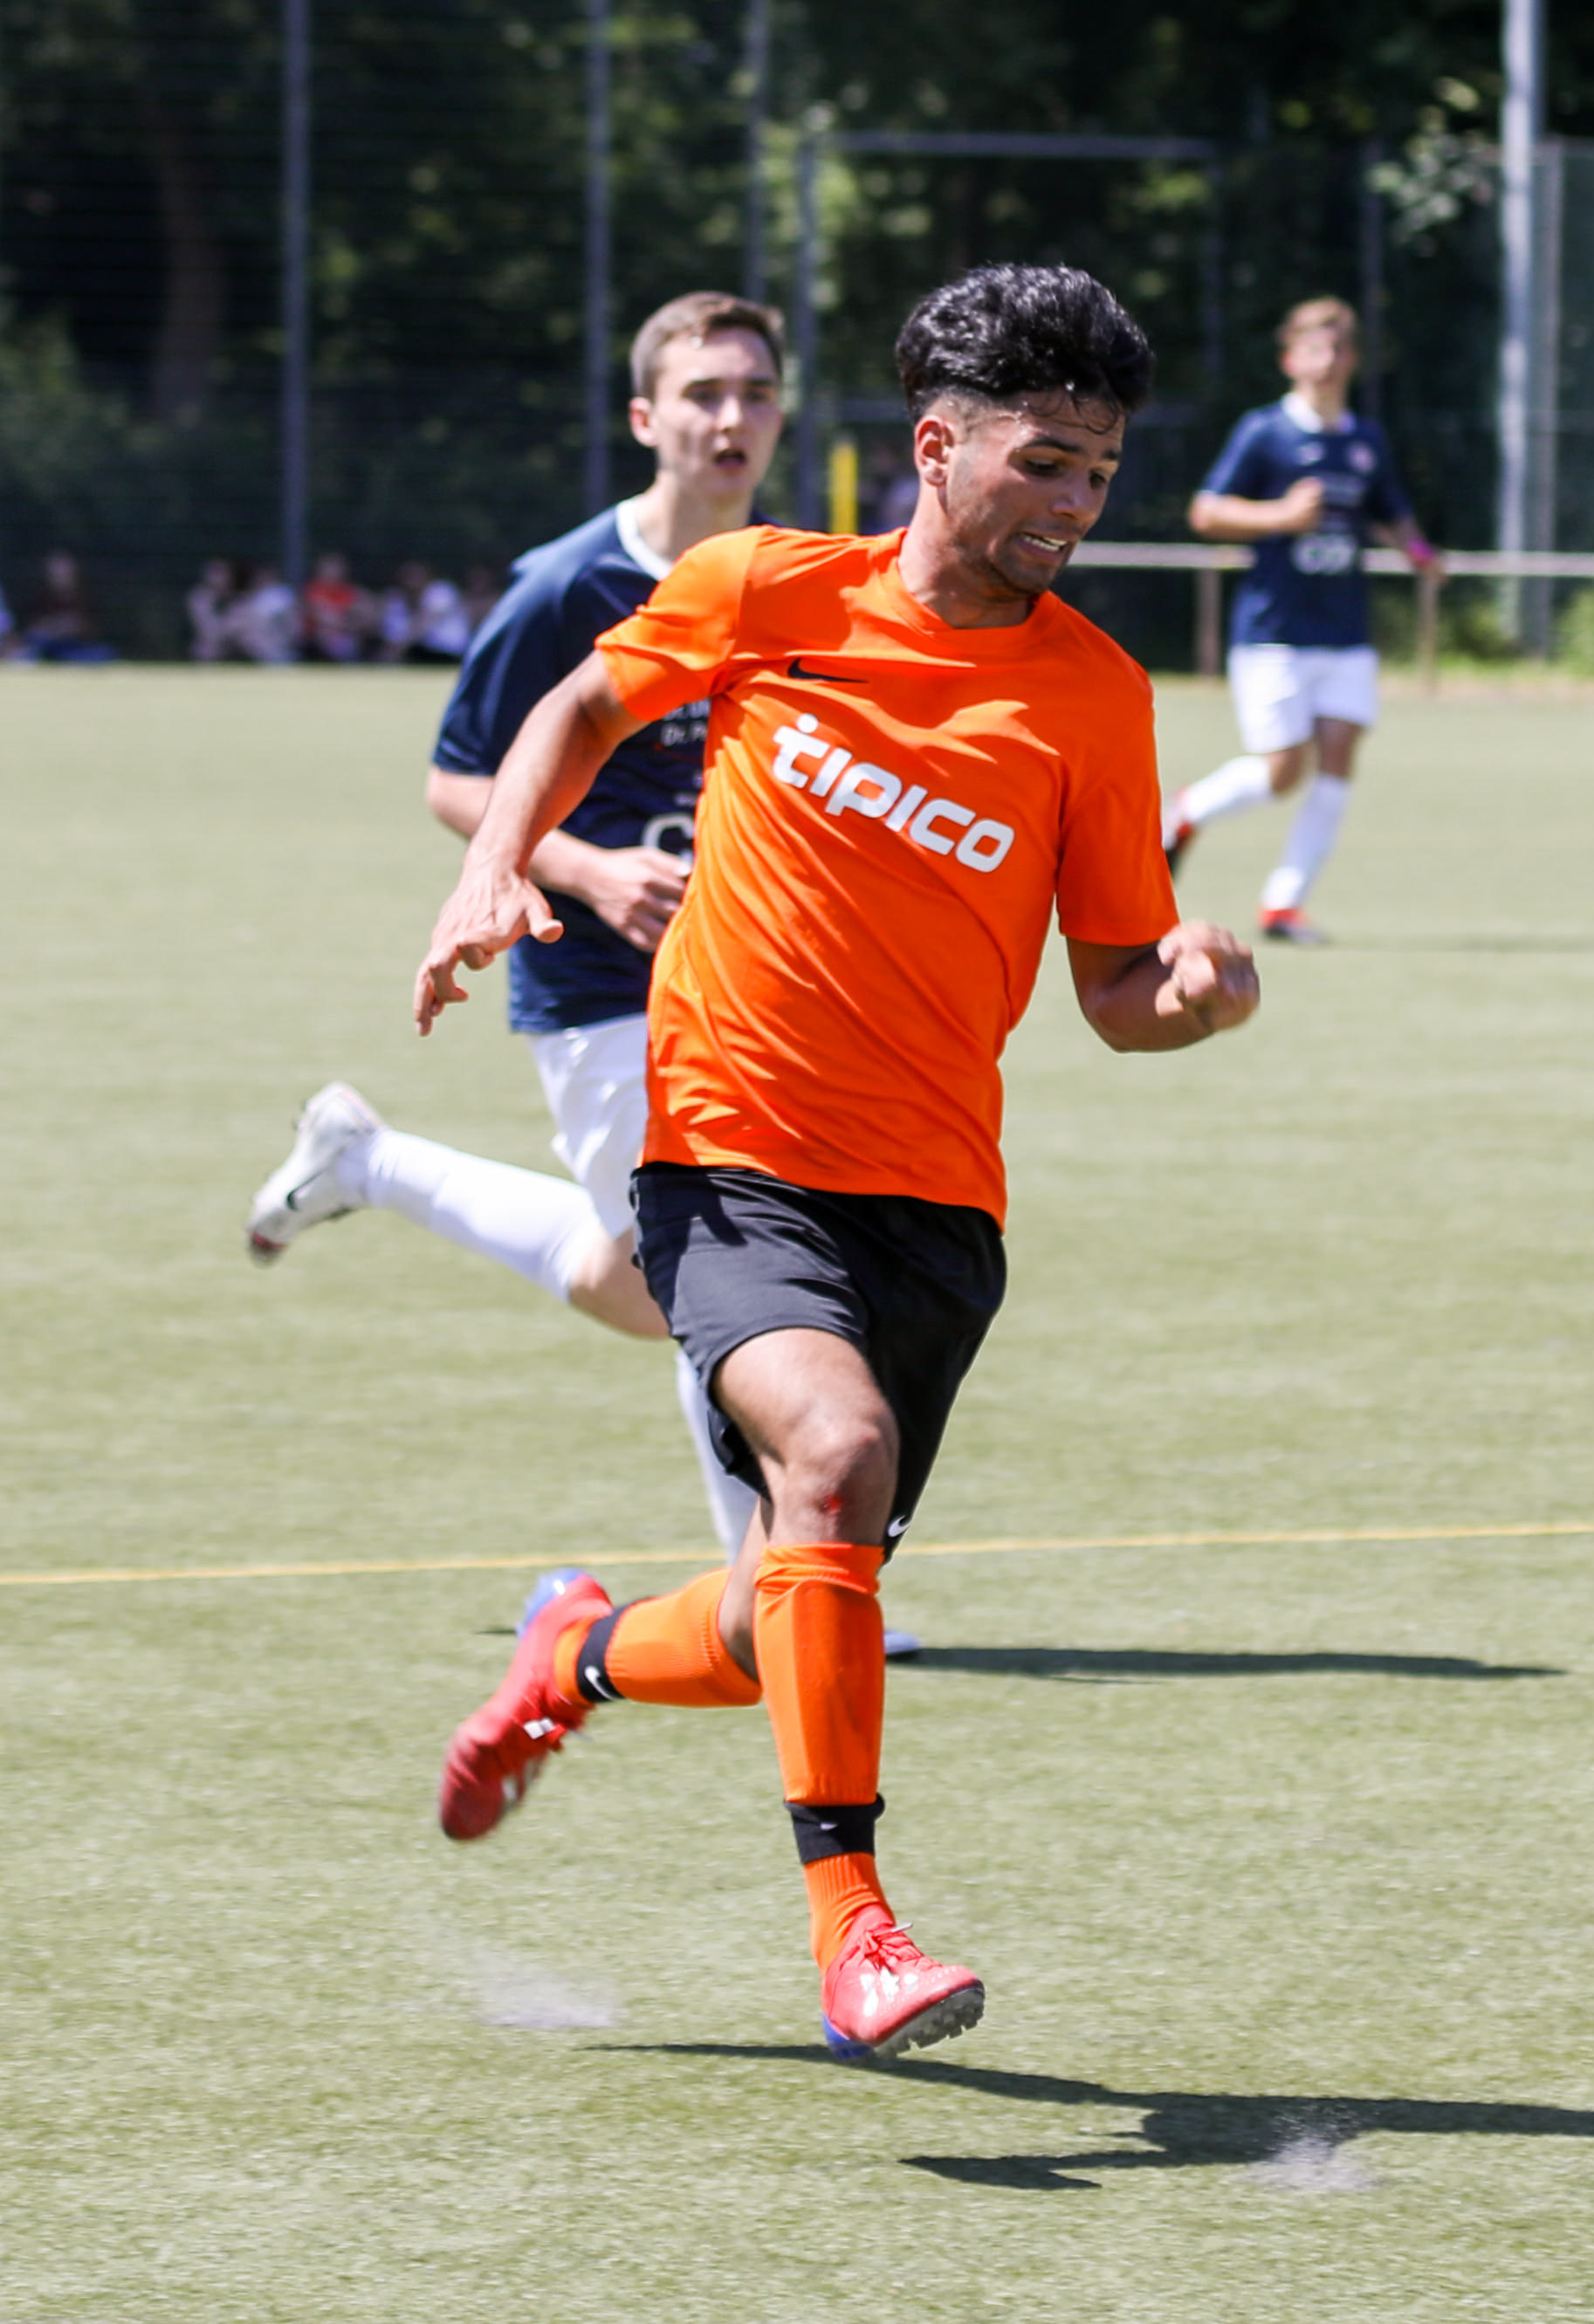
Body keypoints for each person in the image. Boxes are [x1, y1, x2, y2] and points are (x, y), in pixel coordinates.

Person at [412, 263, 1257, 2060]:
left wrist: (1196, 992)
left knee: (774, 1610)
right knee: (835, 1450)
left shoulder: (1095, 696)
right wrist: (498, 866)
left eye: (1100, 471)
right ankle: (852, 1929)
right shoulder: (765, 587)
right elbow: (567, 716)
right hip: (726, 1150)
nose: (1076, 504)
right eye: (1044, 463)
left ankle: (572, 1651)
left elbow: (1118, 990)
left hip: (935, 1205)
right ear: (935, 448)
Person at [245, 291, 793, 1562]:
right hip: (595, 977)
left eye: (757, 393)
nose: (732, 417)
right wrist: (591, 870)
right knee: (717, 1276)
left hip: (751, 984)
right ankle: (781, 1596)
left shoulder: (793, 576)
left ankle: (369, 1163)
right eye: (704, 393)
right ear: (646, 416)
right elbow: (458, 781)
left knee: (643, 1281)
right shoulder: (564, 585)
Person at [1166, 295, 1439, 945]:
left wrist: (1419, 551)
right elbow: (1206, 512)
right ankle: (1184, 812)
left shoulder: (1366, 440)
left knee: (1340, 753)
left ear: (1353, 359)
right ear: (1290, 359)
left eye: (1340, 347)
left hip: (1345, 632)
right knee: (1283, 770)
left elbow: (1390, 512)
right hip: (1275, 632)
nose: (1329, 359)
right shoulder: (1265, 431)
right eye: (1316, 347)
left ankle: (1285, 903)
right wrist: (1280, 517)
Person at [299, 550, 374, 662]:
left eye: (337, 568)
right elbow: (319, 616)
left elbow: (366, 617)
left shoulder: (348, 591)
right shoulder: (313, 590)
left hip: (345, 633)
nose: (333, 571)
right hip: (315, 638)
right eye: (329, 567)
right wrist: (344, 623)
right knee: (326, 631)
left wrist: (351, 622)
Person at [234, 563, 299, 664]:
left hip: (277, 634)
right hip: (255, 635)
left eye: (265, 575)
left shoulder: (283, 594)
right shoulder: (252, 595)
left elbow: (291, 621)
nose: (261, 578)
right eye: (259, 576)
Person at [187, 559, 244, 662]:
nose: (219, 579)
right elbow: (208, 630)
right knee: (206, 648)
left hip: (237, 643)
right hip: (210, 646)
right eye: (215, 574)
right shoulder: (199, 598)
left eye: (223, 574)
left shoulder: (238, 597)